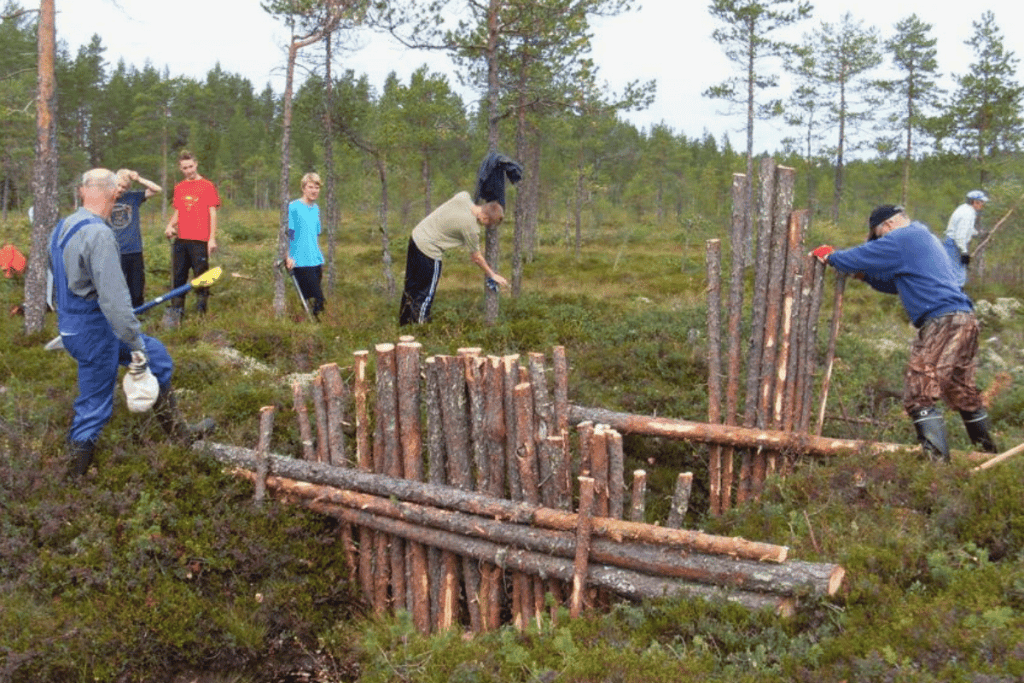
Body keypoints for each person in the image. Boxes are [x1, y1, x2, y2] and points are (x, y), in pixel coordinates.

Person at [49, 169, 213, 477]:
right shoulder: (99, 234)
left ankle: (181, 435)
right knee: (95, 404)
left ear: (84, 191)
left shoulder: (63, 226)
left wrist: (69, 322)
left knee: (159, 358)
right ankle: (73, 479)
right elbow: (115, 301)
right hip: (96, 330)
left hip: (78, 324)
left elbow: (53, 279)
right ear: (114, 194)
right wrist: (134, 343)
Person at [811, 204, 998, 462]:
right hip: (963, 319)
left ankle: (936, 469)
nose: (879, 240)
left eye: (878, 235)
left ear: (886, 226)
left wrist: (831, 257)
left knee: (919, 391)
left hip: (943, 321)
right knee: (962, 391)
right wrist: (864, 276)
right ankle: (989, 457)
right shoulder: (923, 238)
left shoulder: (902, 237)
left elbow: (855, 256)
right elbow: (897, 283)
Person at [398, 191, 508, 325]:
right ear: (484, 218)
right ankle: (419, 329)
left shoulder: (464, 197)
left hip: (416, 238)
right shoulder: (472, 228)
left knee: (412, 285)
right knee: (425, 293)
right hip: (429, 251)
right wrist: (492, 274)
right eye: (488, 223)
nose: (486, 226)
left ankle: (404, 324)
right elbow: (476, 257)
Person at [164, 150, 220, 327]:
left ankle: (201, 314)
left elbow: (212, 213)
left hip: (200, 240)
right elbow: (179, 211)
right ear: (181, 169)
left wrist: (211, 238)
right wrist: (170, 225)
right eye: (184, 168)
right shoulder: (180, 187)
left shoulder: (207, 185)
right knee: (178, 276)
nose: (188, 170)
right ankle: (176, 313)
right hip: (182, 239)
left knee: (201, 277)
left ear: (196, 165)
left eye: (190, 166)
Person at [112, 168, 162, 308]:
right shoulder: (104, 199)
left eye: (124, 187)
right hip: (115, 251)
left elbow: (157, 189)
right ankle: (119, 314)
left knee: (136, 285)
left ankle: (138, 312)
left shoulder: (133, 197)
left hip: (134, 249)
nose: (121, 189)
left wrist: (138, 179)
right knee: (116, 286)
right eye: (118, 185)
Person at [286, 172, 326, 319]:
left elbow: (315, 234)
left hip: (315, 260)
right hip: (300, 261)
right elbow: (288, 234)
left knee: (313, 303)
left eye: (317, 187)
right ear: (303, 188)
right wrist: (287, 256)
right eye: (310, 187)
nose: (314, 190)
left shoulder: (316, 209)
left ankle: (311, 328)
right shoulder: (293, 207)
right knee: (317, 300)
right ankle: (310, 329)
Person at [943, 190, 989, 289]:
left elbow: (968, 229)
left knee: (956, 272)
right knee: (958, 274)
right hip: (954, 245)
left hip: (954, 243)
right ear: (975, 202)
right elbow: (960, 235)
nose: (982, 205)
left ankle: (955, 296)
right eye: (981, 202)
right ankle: (956, 297)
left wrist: (980, 233)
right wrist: (964, 252)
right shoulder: (967, 214)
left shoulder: (965, 210)